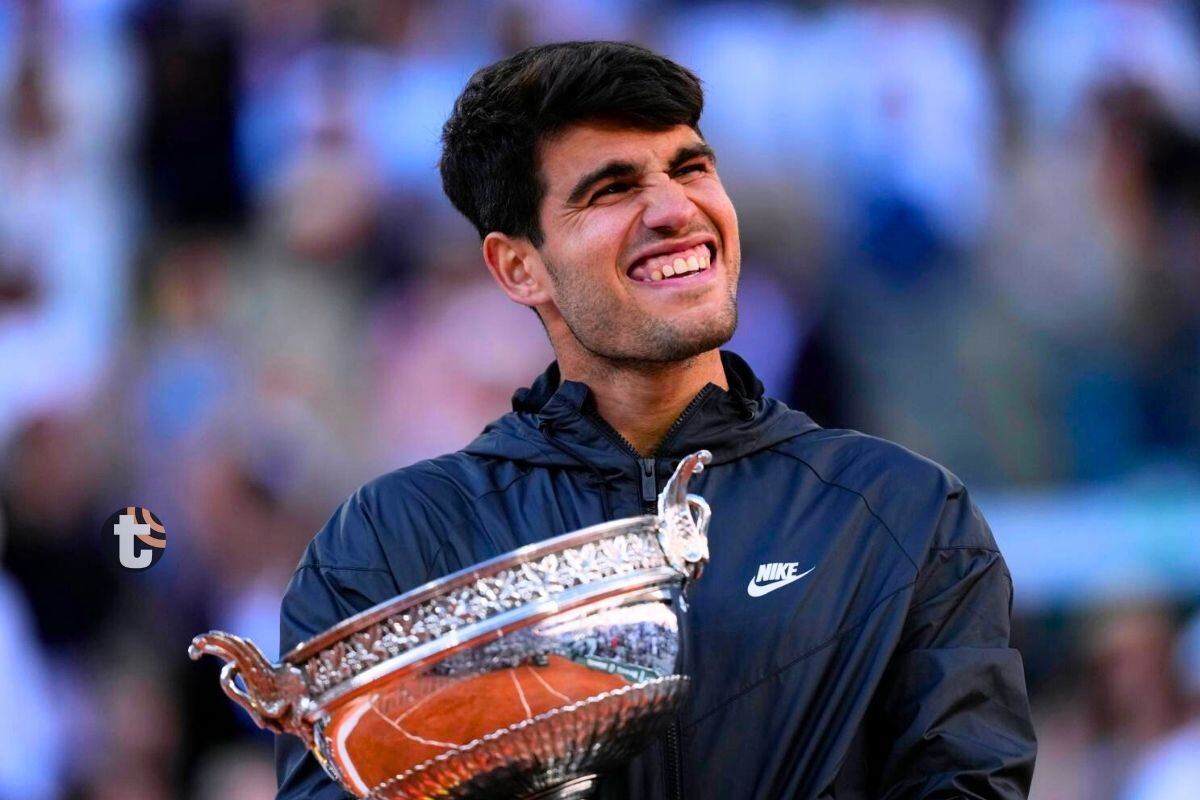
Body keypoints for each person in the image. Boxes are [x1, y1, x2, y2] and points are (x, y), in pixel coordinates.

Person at [276, 41, 1037, 799]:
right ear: (518, 266)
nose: (676, 210)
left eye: (690, 167)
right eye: (612, 189)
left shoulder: (902, 515)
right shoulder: (390, 546)